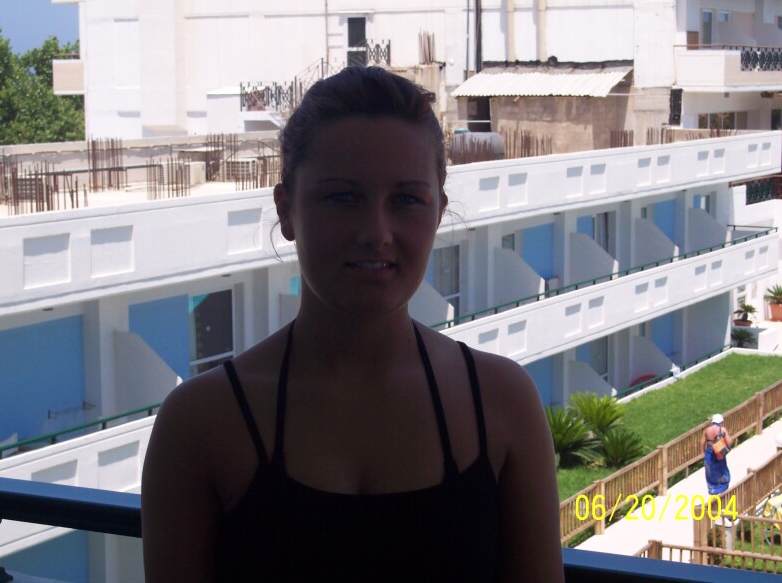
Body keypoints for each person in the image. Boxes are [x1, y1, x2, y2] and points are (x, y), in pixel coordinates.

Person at [141, 66, 564, 582]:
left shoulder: (502, 404)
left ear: (438, 212)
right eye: (343, 197)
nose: (376, 232)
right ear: (286, 211)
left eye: (406, 199)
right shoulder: (199, 424)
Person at [701, 413, 732, 495]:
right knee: (722, 468)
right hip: (719, 450)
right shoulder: (722, 429)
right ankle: (722, 487)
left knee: (710, 470)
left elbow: (702, 442)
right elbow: (729, 442)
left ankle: (712, 489)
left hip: (709, 451)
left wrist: (703, 453)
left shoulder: (706, 430)